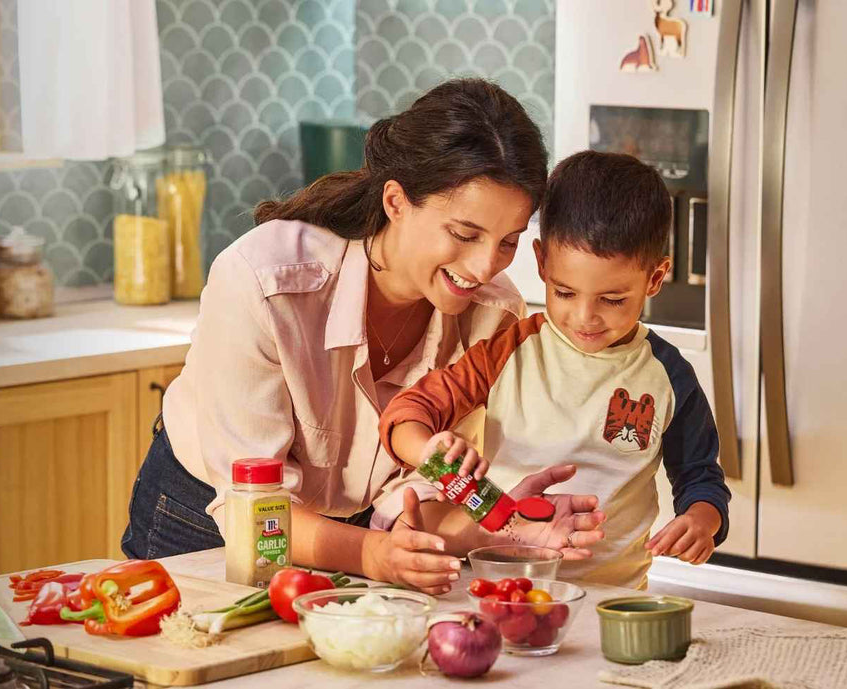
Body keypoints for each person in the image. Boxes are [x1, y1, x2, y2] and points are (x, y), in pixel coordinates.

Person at [121, 79, 608, 596]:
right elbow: (252, 509)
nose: (484, 265)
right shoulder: (263, 283)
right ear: (396, 201)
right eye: (465, 235)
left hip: (364, 532)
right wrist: (371, 555)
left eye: (507, 241)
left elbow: (428, 490)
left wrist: (510, 524)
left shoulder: (493, 314)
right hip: (206, 521)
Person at [378, 151, 732, 588]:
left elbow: (700, 476)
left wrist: (702, 520)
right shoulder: (510, 350)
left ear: (655, 279)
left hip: (611, 594)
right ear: (542, 263)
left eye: (612, 300)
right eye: (564, 292)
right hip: (502, 582)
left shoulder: (668, 376)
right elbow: (407, 412)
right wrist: (432, 449)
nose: (585, 317)